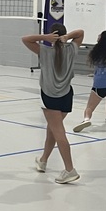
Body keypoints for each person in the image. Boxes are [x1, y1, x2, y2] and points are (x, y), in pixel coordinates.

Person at [22, 23, 84, 184]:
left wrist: (44, 38)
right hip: (66, 96)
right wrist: (67, 37)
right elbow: (80, 32)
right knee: (52, 130)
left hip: (51, 97)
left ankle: (70, 170)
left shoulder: (44, 51)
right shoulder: (71, 49)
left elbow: (25, 39)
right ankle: (43, 161)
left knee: (59, 133)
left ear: (51, 35)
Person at [73, 30, 106, 133]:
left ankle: (86, 119)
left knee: (89, 107)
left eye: (100, 36)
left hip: (101, 83)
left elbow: (95, 64)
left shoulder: (96, 52)